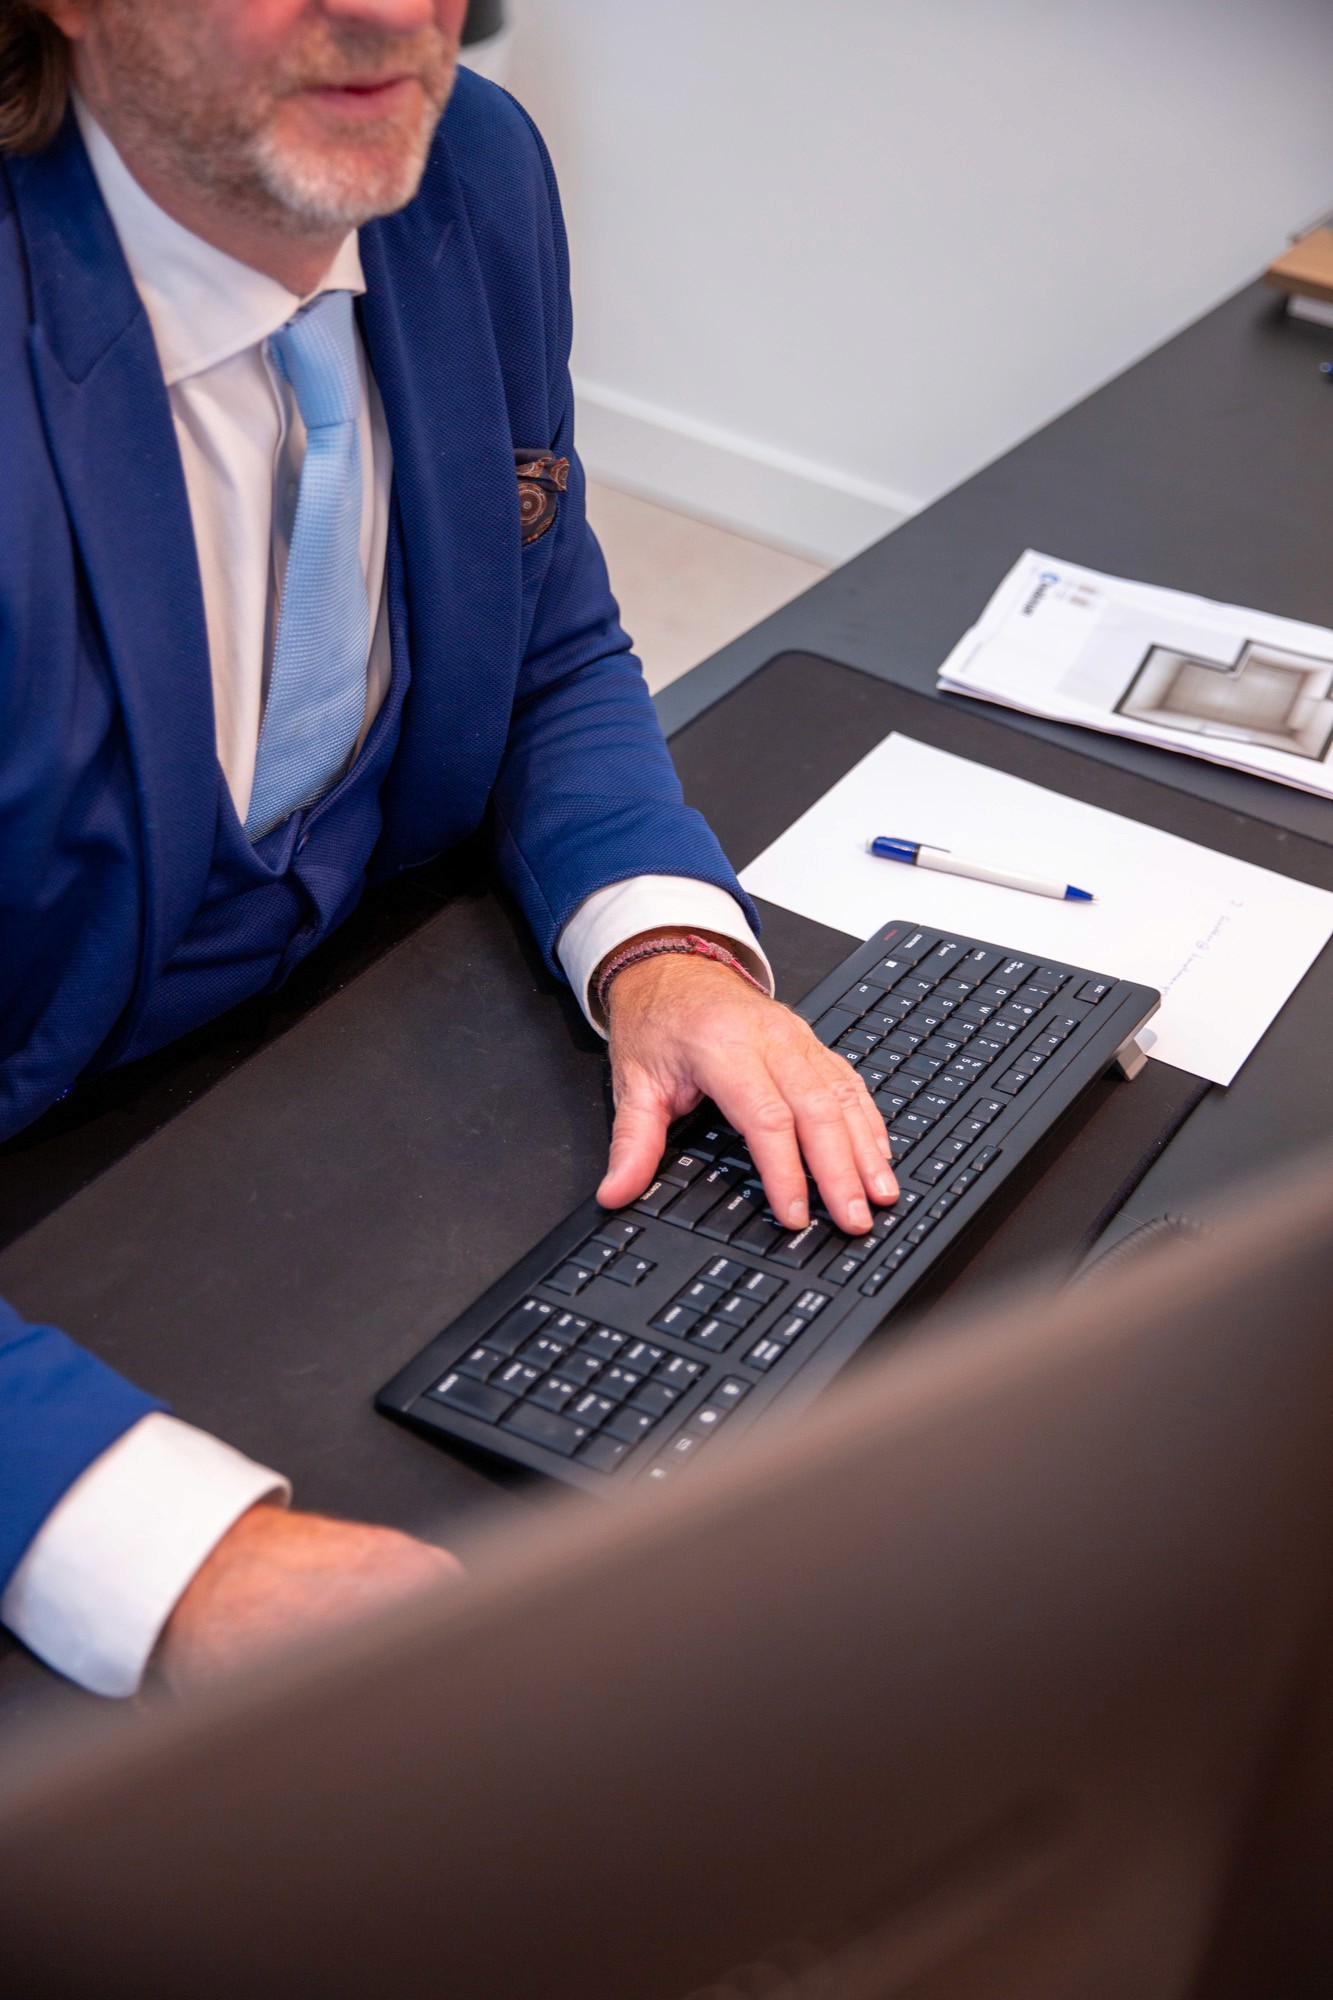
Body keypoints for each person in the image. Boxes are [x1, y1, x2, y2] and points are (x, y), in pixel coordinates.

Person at [0, 0, 897, 1701]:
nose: (390, 11)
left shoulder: (465, 173)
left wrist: (661, 948)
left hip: (306, 1090)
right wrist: (163, 1549)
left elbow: (540, 640)